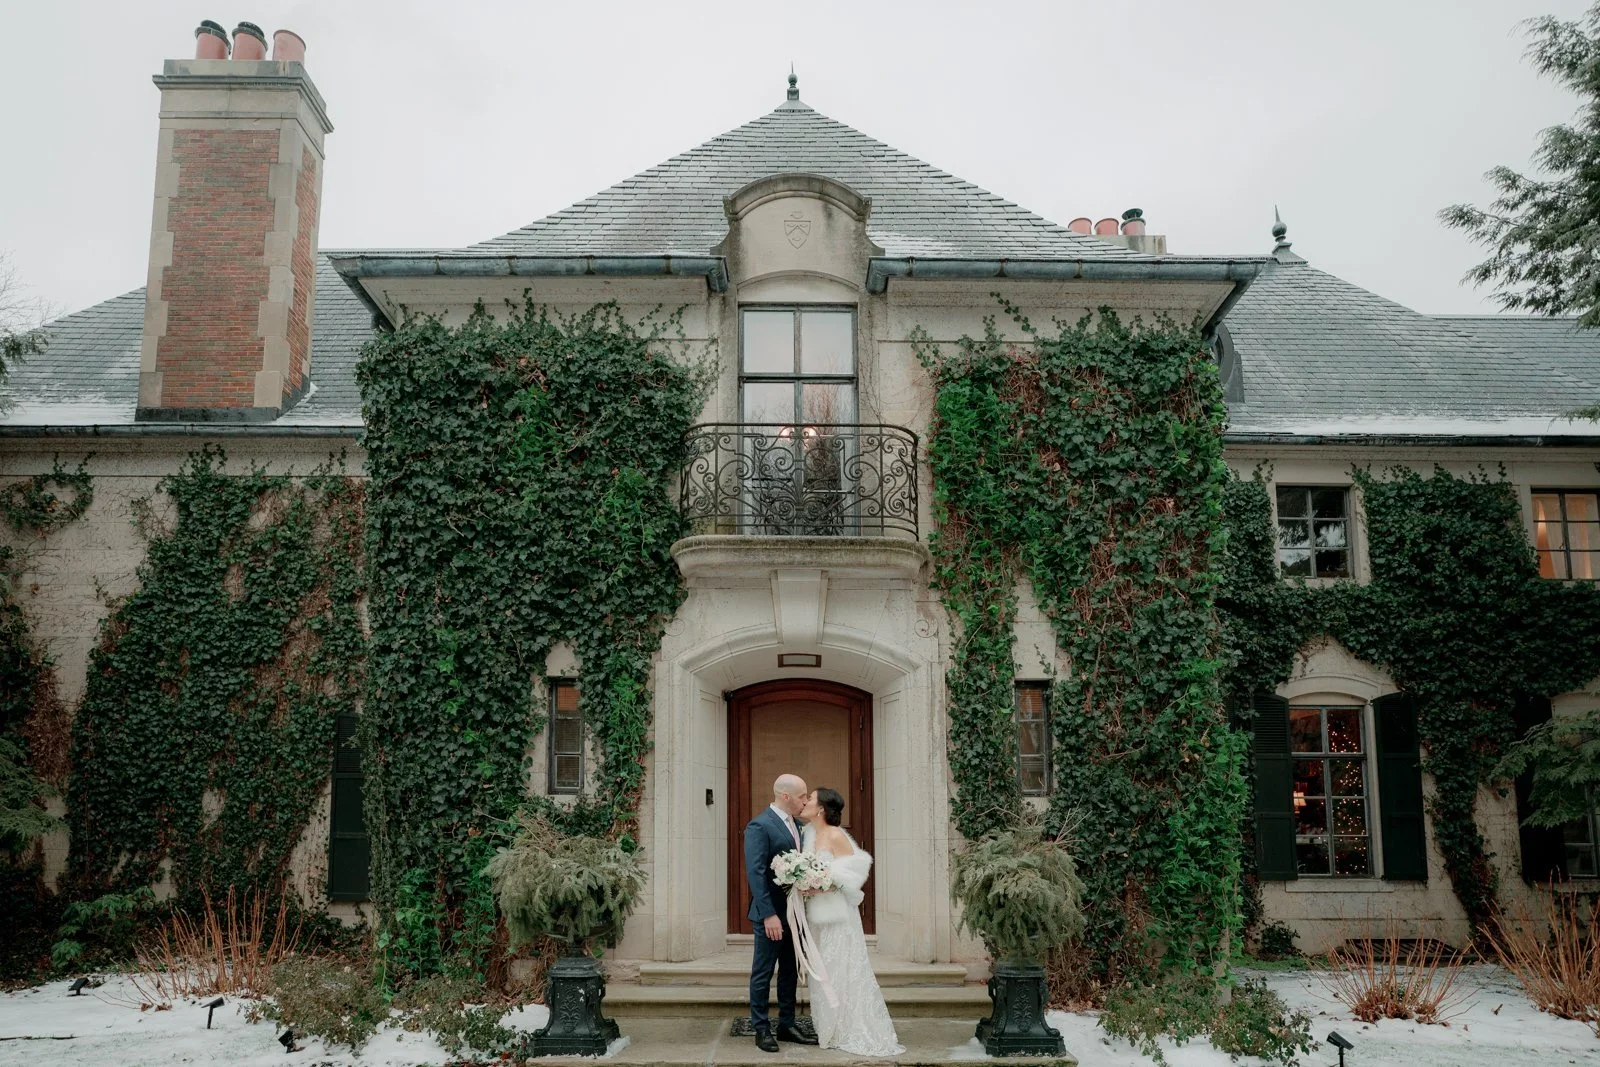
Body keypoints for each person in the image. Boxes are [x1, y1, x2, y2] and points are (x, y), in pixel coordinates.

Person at [798, 786, 904, 1057]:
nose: (806, 801)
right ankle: (830, 1026)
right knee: (823, 971)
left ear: (821, 808)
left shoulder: (836, 835)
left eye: (810, 798)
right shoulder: (808, 833)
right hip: (817, 917)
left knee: (840, 968)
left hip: (838, 917)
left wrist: (822, 886)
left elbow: (853, 875)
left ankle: (848, 1027)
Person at [743, 773, 819, 1053]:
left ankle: (787, 1024)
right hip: (771, 915)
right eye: (802, 796)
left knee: (789, 971)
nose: (805, 800)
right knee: (763, 972)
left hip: (794, 914)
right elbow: (756, 873)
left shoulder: (797, 826)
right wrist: (768, 915)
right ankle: (761, 1028)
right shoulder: (759, 826)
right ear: (785, 796)